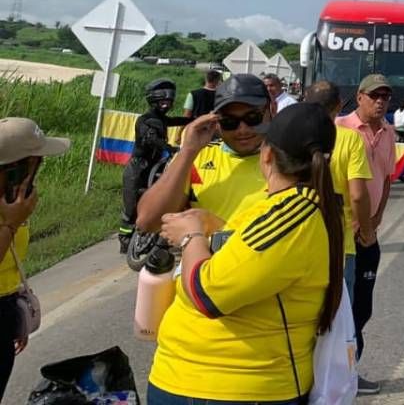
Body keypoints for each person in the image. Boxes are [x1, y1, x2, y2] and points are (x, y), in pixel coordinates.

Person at [149, 103, 343, 403]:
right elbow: (251, 260)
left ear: (267, 155)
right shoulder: (286, 208)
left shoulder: (290, 215)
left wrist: (190, 237)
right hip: (211, 382)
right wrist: (210, 225)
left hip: (227, 385)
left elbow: (207, 294)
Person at [137, 74, 272, 237]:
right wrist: (187, 151)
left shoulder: (290, 160)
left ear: (272, 109)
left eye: (253, 118)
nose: (242, 129)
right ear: (215, 120)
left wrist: (217, 228)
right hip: (203, 261)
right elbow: (147, 221)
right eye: (229, 121)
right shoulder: (197, 157)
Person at [0, 118, 69, 401]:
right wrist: (10, 225)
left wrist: (16, 314)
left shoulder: (15, 202)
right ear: (14, 171)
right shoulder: (14, 211)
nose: (37, 171)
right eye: (35, 163)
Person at [335, 74, 396, 396]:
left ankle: (350, 372)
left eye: (385, 96)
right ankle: (333, 375)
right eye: (374, 96)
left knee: (361, 308)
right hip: (342, 233)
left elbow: (386, 179)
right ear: (359, 97)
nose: (380, 101)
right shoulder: (339, 128)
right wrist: (357, 221)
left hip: (369, 233)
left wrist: (376, 218)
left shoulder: (388, 132)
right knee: (338, 309)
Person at [306, 81, 374, 292]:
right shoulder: (350, 139)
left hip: (298, 240)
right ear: (338, 105)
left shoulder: (292, 136)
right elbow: (357, 195)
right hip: (339, 243)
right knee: (339, 315)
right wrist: (366, 230)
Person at [120, 79, 191, 254]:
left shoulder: (161, 119)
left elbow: (175, 120)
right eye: (163, 102)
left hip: (157, 166)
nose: (166, 105)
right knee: (131, 207)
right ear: (154, 101)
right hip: (139, 167)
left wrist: (196, 120)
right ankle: (125, 241)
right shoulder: (146, 119)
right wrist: (170, 148)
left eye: (169, 102)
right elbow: (150, 139)